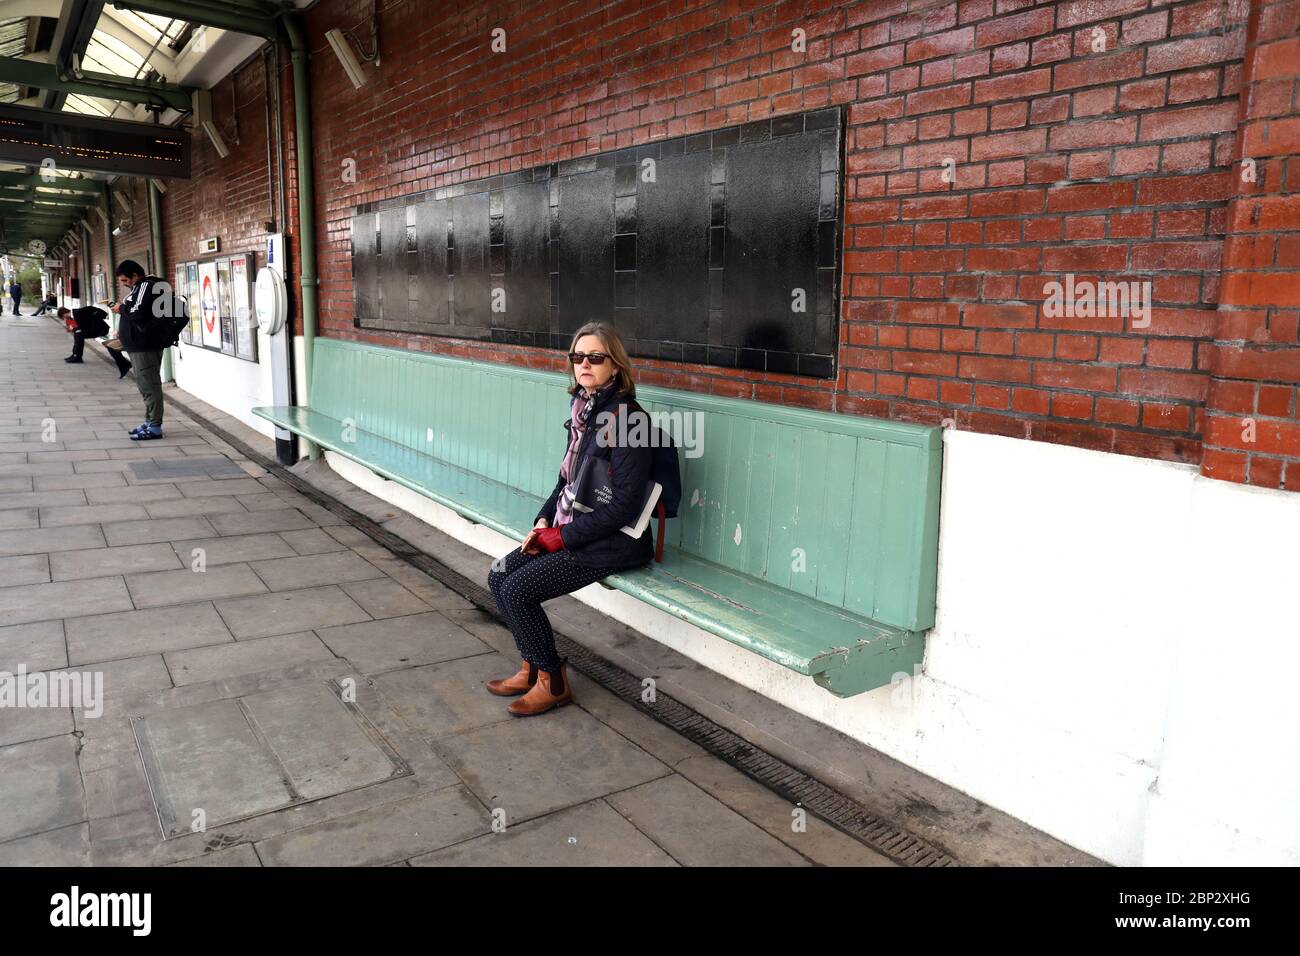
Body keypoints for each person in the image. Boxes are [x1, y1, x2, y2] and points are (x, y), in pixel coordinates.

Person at [485, 321, 656, 717]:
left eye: (596, 357)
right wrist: (545, 520)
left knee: (518, 591)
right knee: (498, 576)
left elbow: (624, 509)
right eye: (577, 357)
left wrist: (560, 538)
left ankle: (553, 682)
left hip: (614, 543)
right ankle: (532, 664)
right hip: (572, 529)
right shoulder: (584, 412)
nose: (584, 364)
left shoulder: (630, 421)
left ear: (616, 366)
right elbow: (566, 480)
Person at [111, 259, 167, 440]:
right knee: (145, 385)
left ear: (135, 275)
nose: (125, 285)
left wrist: (121, 308)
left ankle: (155, 426)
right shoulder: (140, 288)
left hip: (144, 346)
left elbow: (138, 313)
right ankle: (150, 420)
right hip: (140, 345)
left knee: (149, 386)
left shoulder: (145, 285)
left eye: (126, 281)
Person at [59, 305, 133, 377]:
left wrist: (102, 316)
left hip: (99, 329)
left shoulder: (78, 312)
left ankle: (77, 356)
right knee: (77, 334)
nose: (65, 319)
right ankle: (75, 355)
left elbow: (92, 308)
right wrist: (74, 329)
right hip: (93, 329)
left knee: (78, 335)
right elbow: (82, 326)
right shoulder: (73, 316)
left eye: (63, 317)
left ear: (64, 313)